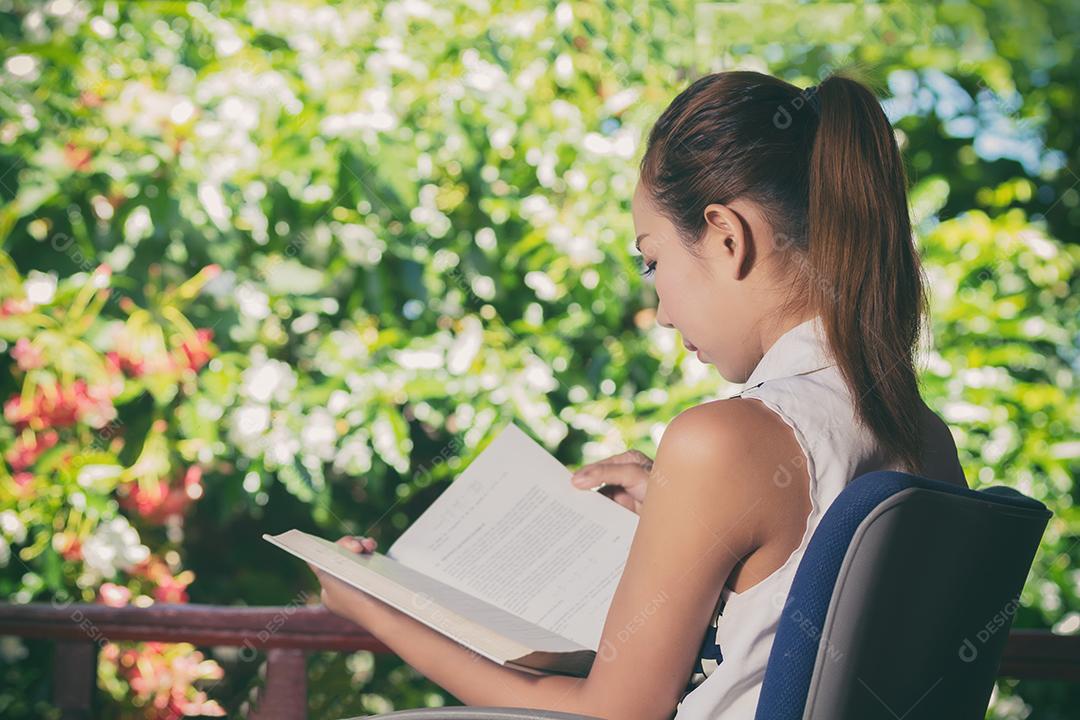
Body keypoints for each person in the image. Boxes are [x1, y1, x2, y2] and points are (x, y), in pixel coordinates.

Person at [311, 69, 968, 719]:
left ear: (726, 237)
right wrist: (687, 514)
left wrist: (375, 606)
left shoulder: (723, 438)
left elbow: (610, 715)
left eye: (652, 261)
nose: (659, 311)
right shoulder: (926, 438)